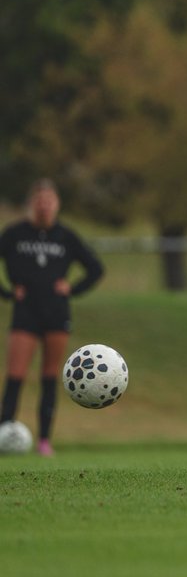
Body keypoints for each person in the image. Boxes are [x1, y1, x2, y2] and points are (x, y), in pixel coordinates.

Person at [0, 179, 104, 456]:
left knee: (49, 377)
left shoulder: (66, 236)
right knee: (15, 376)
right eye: (39, 200)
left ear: (56, 205)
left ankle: (45, 440)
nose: (44, 206)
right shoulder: (14, 234)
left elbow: (95, 268)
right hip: (25, 312)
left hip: (56, 313)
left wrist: (72, 288)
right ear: (31, 204)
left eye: (49, 201)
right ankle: (4, 434)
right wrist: (7, 293)